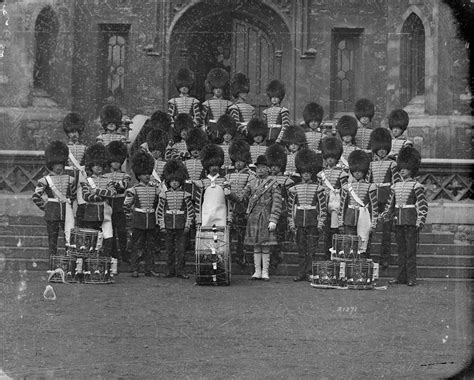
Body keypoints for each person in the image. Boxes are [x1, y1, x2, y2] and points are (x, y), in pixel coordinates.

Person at [384, 146, 428, 287]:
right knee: (401, 251)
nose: (402, 170)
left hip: (410, 222)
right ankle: (401, 277)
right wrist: (385, 216)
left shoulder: (417, 186)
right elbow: (390, 205)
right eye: (401, 168)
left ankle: (411, 278)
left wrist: (420, 221)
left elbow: (422, 206)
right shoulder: (395, 186)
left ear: (412, 169)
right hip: (398, 221)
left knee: (410, 252)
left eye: (406, 168)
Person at [235, 155, 282, 281]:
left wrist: (274, 219)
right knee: (256, 245)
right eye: (258, 168)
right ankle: (257, 271)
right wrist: (229, 193)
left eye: (263, 168)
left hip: (266, 216)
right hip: (253, 216)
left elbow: (277, 203)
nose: (260, 170)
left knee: (265, 245)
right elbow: (241, 198)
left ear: (268, 169)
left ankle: (265, 271)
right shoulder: (251, 183)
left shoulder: (273, 183)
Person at [287, 149, 326, 282]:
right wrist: (292, 222)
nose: (306, 175)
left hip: (312, 221)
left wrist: (321, 222)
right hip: (299, 221)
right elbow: (291, 207)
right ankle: (301, 272)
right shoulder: (295, 188)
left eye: (308, 173)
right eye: (304, 173)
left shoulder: (318, 188)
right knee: (301, 248)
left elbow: (322, 207)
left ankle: (309, 272)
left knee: (311, 249)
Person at [32, 141, 76, 256]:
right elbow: (36, 196)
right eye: (56, 164)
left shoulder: (70, 179)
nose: (59, 167)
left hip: (67, 211)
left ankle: (68, 261)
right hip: (52, 212)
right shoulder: (45, 180)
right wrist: (46, 207)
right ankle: (52, 262)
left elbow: (73, 195)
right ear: (52, 165)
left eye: (60, 164)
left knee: (69, 238)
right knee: (52, 240)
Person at [124, 151, 161, 278]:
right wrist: (132, 215)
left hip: (150, 220)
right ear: (138, 175)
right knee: (136, 245)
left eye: (148, 173)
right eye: (144, 174)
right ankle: (134, 268)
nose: (147, 176)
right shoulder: (133, 190)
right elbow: (126, 205)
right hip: (138, 220)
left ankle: (149, 269)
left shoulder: (155, 189)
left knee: (150, 246)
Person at [368, 128, 400, 270]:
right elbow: (368, 183)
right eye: (379, 148)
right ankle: (367, 255)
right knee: (369, 228)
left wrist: (391, 202)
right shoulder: (371, 165)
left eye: (384, 148)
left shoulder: (392, 164)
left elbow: (395, 184)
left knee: (386, 231)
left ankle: (384, 258)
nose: (381, 151)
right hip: (373, 198)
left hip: (387, 198)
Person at [157, 159, 194, 279]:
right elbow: (160, 211)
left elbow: (190, 211)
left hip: (181, 225)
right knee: (169, 250)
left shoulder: (185, 195)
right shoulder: (164, 195)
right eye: (172, 181)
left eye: (176, 181)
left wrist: (188, 224)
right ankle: (169, 270)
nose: (174, 183)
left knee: (181, 250)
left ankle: (180, 270)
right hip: (168, 225)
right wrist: (162, 225)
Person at [338, 150, 378, 258]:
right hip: (350, 216)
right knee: (349, 244)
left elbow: (374, 207)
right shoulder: (347, 187)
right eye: (355, 171)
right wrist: (340, 222)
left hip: (364, 217)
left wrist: (373, 223)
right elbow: (342, 206)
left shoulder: (370, 187)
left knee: (362, 244)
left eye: (360, 171)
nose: (357, 173)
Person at [80, 143, 117, 257]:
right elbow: (86, 196)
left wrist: (96, 191)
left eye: (100, 164)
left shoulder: (108, 180)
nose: (98, 167)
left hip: (105, 213)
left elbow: (113, 193)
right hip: (91, 213)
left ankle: (104, 266)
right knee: (91, 242)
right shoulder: (86, 181)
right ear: (91, 166)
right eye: (95, 165)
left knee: (108, 239)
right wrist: (103, 195)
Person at [225, 139, 255, 268]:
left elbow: (246, 194)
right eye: (236, 161)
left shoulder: (251, 176)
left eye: (241, 161)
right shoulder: (228, 176)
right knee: (229, 235)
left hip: (243, 208)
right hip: (230, 208)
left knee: (242, 235)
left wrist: (232, 195)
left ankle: (240, 256)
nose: (238, 164)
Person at [318, 137, 348, 259]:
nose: (330, 160)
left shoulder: (342, 173)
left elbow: (345, 190)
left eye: (332, 157)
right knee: (326, 233)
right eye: (328, 157)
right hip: (324, 205)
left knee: (335, 231)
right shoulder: (321, 174)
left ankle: (335, 254)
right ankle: (326, 255)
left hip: (336, 205)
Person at [266, 143, 294, 272]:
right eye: (272, 166)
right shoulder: (266, 179)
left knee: (279, 236)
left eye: (276, 166)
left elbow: (290, 199)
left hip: (282, 211)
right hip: (268, 211)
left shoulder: (287, 181)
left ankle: (277, 256)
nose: (274, 169)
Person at [104, 141, 131, 263]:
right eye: (113, 161)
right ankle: (114, 254)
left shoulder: (125, 175)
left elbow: (123, 186)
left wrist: (112, 184)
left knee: (122, 231)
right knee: (111, 230)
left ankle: (125, 254)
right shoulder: (105, 175)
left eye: (118, 161)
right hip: (109, 204)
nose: (116, 163)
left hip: (120, 204)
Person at [62, 112, 87, 226]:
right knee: (69, 202)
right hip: (68, 176)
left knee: (81, 202)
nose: (74, 135)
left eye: (76, 132)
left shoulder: (85, 148)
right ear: (67, 133)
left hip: (81, 176)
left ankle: (78, 225)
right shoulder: (64, 148)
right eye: (71, 132)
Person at [201, 67, 232, 140]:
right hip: (211, 130)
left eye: (220, 88)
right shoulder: (207, 103)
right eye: (216, 88)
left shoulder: (229, 104)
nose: (218, 90)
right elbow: (203, 120)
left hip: (225, 131)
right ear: (212, 89)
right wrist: (206, 131)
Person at [262, 79, 290, 144]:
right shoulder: (266, 111)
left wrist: (279, 138)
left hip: (278, 136)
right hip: (268, 138)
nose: (274, 99)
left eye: (276, 97)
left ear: (280, 98)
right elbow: (264, 127)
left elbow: (285, 126)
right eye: (272, 97)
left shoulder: (283, 110)